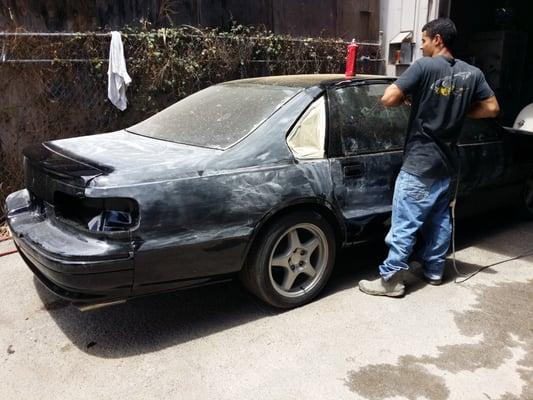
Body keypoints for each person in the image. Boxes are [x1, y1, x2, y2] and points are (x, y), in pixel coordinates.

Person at [358, 18, 500, 297]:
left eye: (423, 40)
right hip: (447, 165)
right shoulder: (473, 73)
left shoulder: (423, 66)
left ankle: (390, 280)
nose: (421, 46)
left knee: (404, 222)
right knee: (439, 220)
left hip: (420, 163)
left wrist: (405, 98)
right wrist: (462, 112)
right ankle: (434, 269)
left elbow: (388, 98)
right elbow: (493, 108)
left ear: (438, 40)